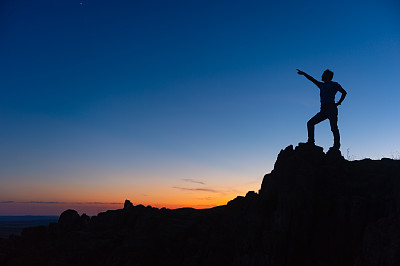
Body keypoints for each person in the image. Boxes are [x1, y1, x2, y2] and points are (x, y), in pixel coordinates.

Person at [297, 69, 347, 150]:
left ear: (328, 76)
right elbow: (312, 79)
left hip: (331, 108)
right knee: (310, 123)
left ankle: (336, 146)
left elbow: (344, 92)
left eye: (323, 74)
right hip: (323, 110)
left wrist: (338, 103)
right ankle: (311, 141)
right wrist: (304, 73)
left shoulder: (334, 84)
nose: (322, 76)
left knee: (334, 127)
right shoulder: (321, 85)